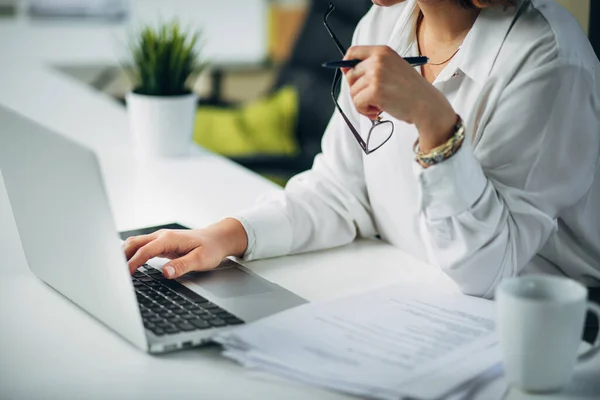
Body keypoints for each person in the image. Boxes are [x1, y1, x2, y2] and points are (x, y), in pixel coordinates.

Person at [124, 0, 600, 299]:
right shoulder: (384, 20)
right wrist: (225, 237)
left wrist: (434, 122)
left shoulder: (548, 59)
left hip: (541, 332)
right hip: (410, 289)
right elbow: (340, 190)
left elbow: (488, 271)